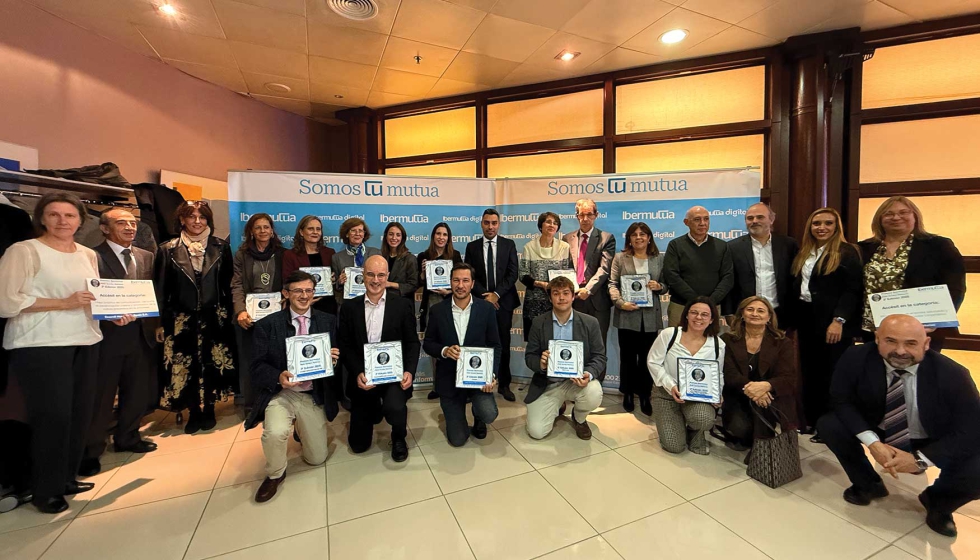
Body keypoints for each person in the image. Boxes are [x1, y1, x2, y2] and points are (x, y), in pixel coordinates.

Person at [0, 193, 127, 514]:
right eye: (54, 215)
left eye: (69, 216)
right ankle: (46, 490)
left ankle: (67, 477)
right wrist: (62, 303)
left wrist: (112, 312)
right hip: (40, 345)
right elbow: (6, 302)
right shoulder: (24, 251)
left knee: (79, 412)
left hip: (84, 339)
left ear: (80, 221)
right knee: (52, 417)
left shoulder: (86, 254)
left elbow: (91, 297)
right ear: (41, 218)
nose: (62, 221)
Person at [817, 315, 980, 538]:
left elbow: (971, 429)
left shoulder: (953, 374)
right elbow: (840, 399)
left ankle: (938, 501)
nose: (900, 351)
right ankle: (868, 484)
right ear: (877, 339)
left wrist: (920, 459)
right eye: (891, 341)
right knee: (829, 425)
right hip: (881, 427)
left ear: (926, 344)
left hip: (931, 435)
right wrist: (872, 442)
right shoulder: (856, 356)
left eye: (911, 343)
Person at [244, 271, 340, 503]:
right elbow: (255, 367)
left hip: (311, 394)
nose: (304, 296)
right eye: (298, 291)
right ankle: (275, 474)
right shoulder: (268, 324)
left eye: (308, 290)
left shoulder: (328, 321)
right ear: (286, 294)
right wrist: (278, 376)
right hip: (281, 393)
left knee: (316, 458)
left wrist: (334, 359)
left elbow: (334, 360)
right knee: (275, 433)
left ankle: (301, 428)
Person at [80, 209, 159, 478]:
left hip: (140, 333)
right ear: (104, 228)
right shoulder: (90, 256)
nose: (129, 227)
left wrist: (155, 325)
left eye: (133, 223)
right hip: (107, 335)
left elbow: (151, 292)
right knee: (101, 395)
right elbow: (88, 294)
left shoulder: (145, 255)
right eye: (121, 223)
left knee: (136, 389)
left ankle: (128, 437)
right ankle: (91, 450)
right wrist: (108, 315)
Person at [156, 201, 237, 434]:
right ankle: (193, 409)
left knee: (211, 362)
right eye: (191, 217)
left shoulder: (220, 247)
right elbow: (160, 289)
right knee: (186, 364)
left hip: (214, 316)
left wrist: (230, 314)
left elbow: (228, 284)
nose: (197, 221)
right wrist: (159, 323)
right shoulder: (167, 249)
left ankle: (209, 407)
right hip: (181, 318)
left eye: (202, 217)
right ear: (182, 219)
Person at [337, 255, 420, 462]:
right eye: (371, 274)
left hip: (394, 375)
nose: (376, 280)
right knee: (359, 446)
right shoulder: (349, 307)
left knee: (394, 407)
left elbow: (412, 343)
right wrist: (357, 373)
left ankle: (399, 435)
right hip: (364, 377)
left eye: (381, 275)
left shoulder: (402, 306)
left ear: (387, 276)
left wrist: (409, 371)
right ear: (363, 275)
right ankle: (373, 408)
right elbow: (345, 345)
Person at [790, 207, 863, 442]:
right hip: (807, 318)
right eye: (816, 223)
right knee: (810, 372)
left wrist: (839, 320)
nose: (821, 227)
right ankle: (812, 421)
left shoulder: (847, 252)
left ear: (836, 227)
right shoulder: (805, 252)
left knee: (832, 374)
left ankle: (830, 426)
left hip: (833, 322)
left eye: (828, 223)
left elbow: (852, 291)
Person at [857, 196, 966, 351]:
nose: (896, 217)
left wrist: (937, 320)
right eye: (888, 214)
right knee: (875, 372)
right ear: (879, 219)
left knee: (920, 373)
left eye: (903, 212)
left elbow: (956, 286)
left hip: (921, 328)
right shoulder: (863, 248)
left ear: (915, 216)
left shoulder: (938, 245)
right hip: (874, 328)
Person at [422, 263, 501, 446]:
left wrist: (492, 374)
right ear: (450, 282)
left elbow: (495, 345)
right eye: (456, 280)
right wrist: (444, 351)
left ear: (472, 284)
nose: (460, 285)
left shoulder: (486, 309)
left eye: (465, 280)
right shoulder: (438, 310)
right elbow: (428, 343)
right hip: (449, 378)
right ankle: (456, 417)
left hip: (478, 379)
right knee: (458, 439)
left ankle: (478, 416)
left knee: (489, 413)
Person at [523, 276, 607, 440]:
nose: (561, 297)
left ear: (573, 296)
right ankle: (557, 405)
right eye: (556, 293)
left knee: (594, 392)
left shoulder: (590, 323)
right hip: (548, 384)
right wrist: (540, 363)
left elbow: (600, 357)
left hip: (576, 382)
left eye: (566, 293)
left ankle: (579, 418)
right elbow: (529, 356)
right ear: (550, 297)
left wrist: (588, 374)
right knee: (537, 432)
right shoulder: (539, 322)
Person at [646, 296, 726, 455]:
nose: (698, 317)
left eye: (704, 314)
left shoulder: (718, 344)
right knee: (674, 446)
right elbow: (653, 362)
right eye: (694, 312)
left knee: (704, 419)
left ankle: (694, 431)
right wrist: (671, 385)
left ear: (711, 320)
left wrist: (718, 393)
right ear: (687, 315)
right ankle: (678, 423)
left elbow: (718, 373)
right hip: (666, 393)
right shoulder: (669, 334)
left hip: (698, 396)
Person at [720, 296, 798, 451]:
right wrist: (755, 391)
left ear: (769, 317)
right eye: (750, 309)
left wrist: (766, 386)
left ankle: (761, 449)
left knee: (765, 412)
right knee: (740, 429)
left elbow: (788, 377)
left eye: (760, 311)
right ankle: (760, 443)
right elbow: (729, 373)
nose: (755, 313)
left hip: (771, 397)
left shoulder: (782, 342)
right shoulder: (727, 340)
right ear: (742, 314)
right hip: (740, 395)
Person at [609, 222, 666, 416]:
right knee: (627, 357)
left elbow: (667, 284)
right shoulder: (620, 258)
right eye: (634, 234)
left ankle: (644, 394)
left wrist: (659, 287)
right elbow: (612, 284)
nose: (639, 237)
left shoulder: (659, 259)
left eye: (643, 234)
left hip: (650, 317)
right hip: (627, 314)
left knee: (647, 358)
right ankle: (627, 393)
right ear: (629, 239)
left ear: (649, 237)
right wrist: (620, 302)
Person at [464, 209, 519, 401]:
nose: (490, 226)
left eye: (494, 223)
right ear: (481, 224)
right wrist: (485, 296)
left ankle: (504, 384)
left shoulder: (509, 244)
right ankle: (476, 381)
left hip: (503, 302)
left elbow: (513, 274)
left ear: (499, 224)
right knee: (479, 343)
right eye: (487, 223)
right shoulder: (472, 247)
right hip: (479, 302)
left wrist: (496, 295)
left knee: (503, 343)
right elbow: (469, 275)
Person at [232, 213, 285, 410]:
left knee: (275, 359)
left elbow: (288, 283)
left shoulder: (281, 253)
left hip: (276, 316)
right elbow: (236, 285)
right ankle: (253, 406)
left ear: (272, 231)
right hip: (250, 316)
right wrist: (240, 311)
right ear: (251, 232)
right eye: (258, 227)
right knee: (251, 360)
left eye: (266, 227)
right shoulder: (242, 255)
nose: (263, 231)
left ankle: (276, 404)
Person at [724, 203, 800, 328]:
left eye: (760, 217)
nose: (754, 221)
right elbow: (729, 282)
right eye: (750, 218)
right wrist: (728, 312)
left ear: (771, 219)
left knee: (778, 347)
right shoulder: (733, 248)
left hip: (780, 313)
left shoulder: (788, 245)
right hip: (746, 314)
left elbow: (795, 279)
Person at [662, 206, 734, 327]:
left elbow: (728, 276)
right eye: (697, 219)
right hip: (681, 306)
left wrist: (710, 301)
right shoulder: (675, 245)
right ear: (686, 222)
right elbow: (671, 275)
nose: (702, 223)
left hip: (712, 306)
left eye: (706, 219)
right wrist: (696, 300)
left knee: (709, 342)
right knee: (677, 342)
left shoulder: (722, 246)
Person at [417, 222, 463, 400]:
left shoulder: (455, 255)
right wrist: (422, 273)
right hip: (431, 304)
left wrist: (449, 291)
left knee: (453, 342)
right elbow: (419, 283)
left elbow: (461, 282)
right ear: (433, 236)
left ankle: (457, 383)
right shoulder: (423, 255)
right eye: (438, 234)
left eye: (444, 234)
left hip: (450, 303)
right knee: (435, 345)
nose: (441, 237)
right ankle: (437, 386)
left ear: (448, 238)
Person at [562, 199, 616, 342]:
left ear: (596, 215)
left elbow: (605, 268)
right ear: (577, 216)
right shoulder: (566, 239)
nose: (585, 219)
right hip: (573, 299)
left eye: (589, 215)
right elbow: (564, 268)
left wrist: (588, 289)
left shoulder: (606, 238)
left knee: (598, 345)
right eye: (581, 215)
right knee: (575, 344)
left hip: (597, 300)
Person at [520, 212, 573, 342]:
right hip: (534, 302)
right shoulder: (529, 247)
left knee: (557, 340)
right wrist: (541, 284)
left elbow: (567, 273)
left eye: (555, 223)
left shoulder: (564, 247)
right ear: (541, 225)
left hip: (557, 302)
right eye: (548, 222)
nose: (552, 225)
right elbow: (523, 275)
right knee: (535, 342)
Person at [282, 215, 337, 316]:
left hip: (327, 304)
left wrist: (333, 279)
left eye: (318, 229)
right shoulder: (290, 255)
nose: (315, 232)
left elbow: (335, 279)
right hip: (302, 304)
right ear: (301, 232)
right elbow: (287, 281)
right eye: (311, 229)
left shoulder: (329, 253)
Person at [330, 217, 381, 307]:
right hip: (347, 304)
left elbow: (381, 278)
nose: (357, 234)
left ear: (364, 234)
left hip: (372, 302)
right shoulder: (337, 257)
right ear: (346, 234)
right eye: (353, 230)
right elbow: (335, 287)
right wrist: (340, 281)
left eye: (360, 231)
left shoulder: (375, 253)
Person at [380, 221, 419, 302]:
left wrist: (390, 284)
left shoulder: (410, 258)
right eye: (391, 234)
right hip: (381, 302)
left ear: (402, 238)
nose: (394, 238)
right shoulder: (380, 257)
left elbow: (413, 285)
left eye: (398, 235)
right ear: (386, 236)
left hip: (403, 303)